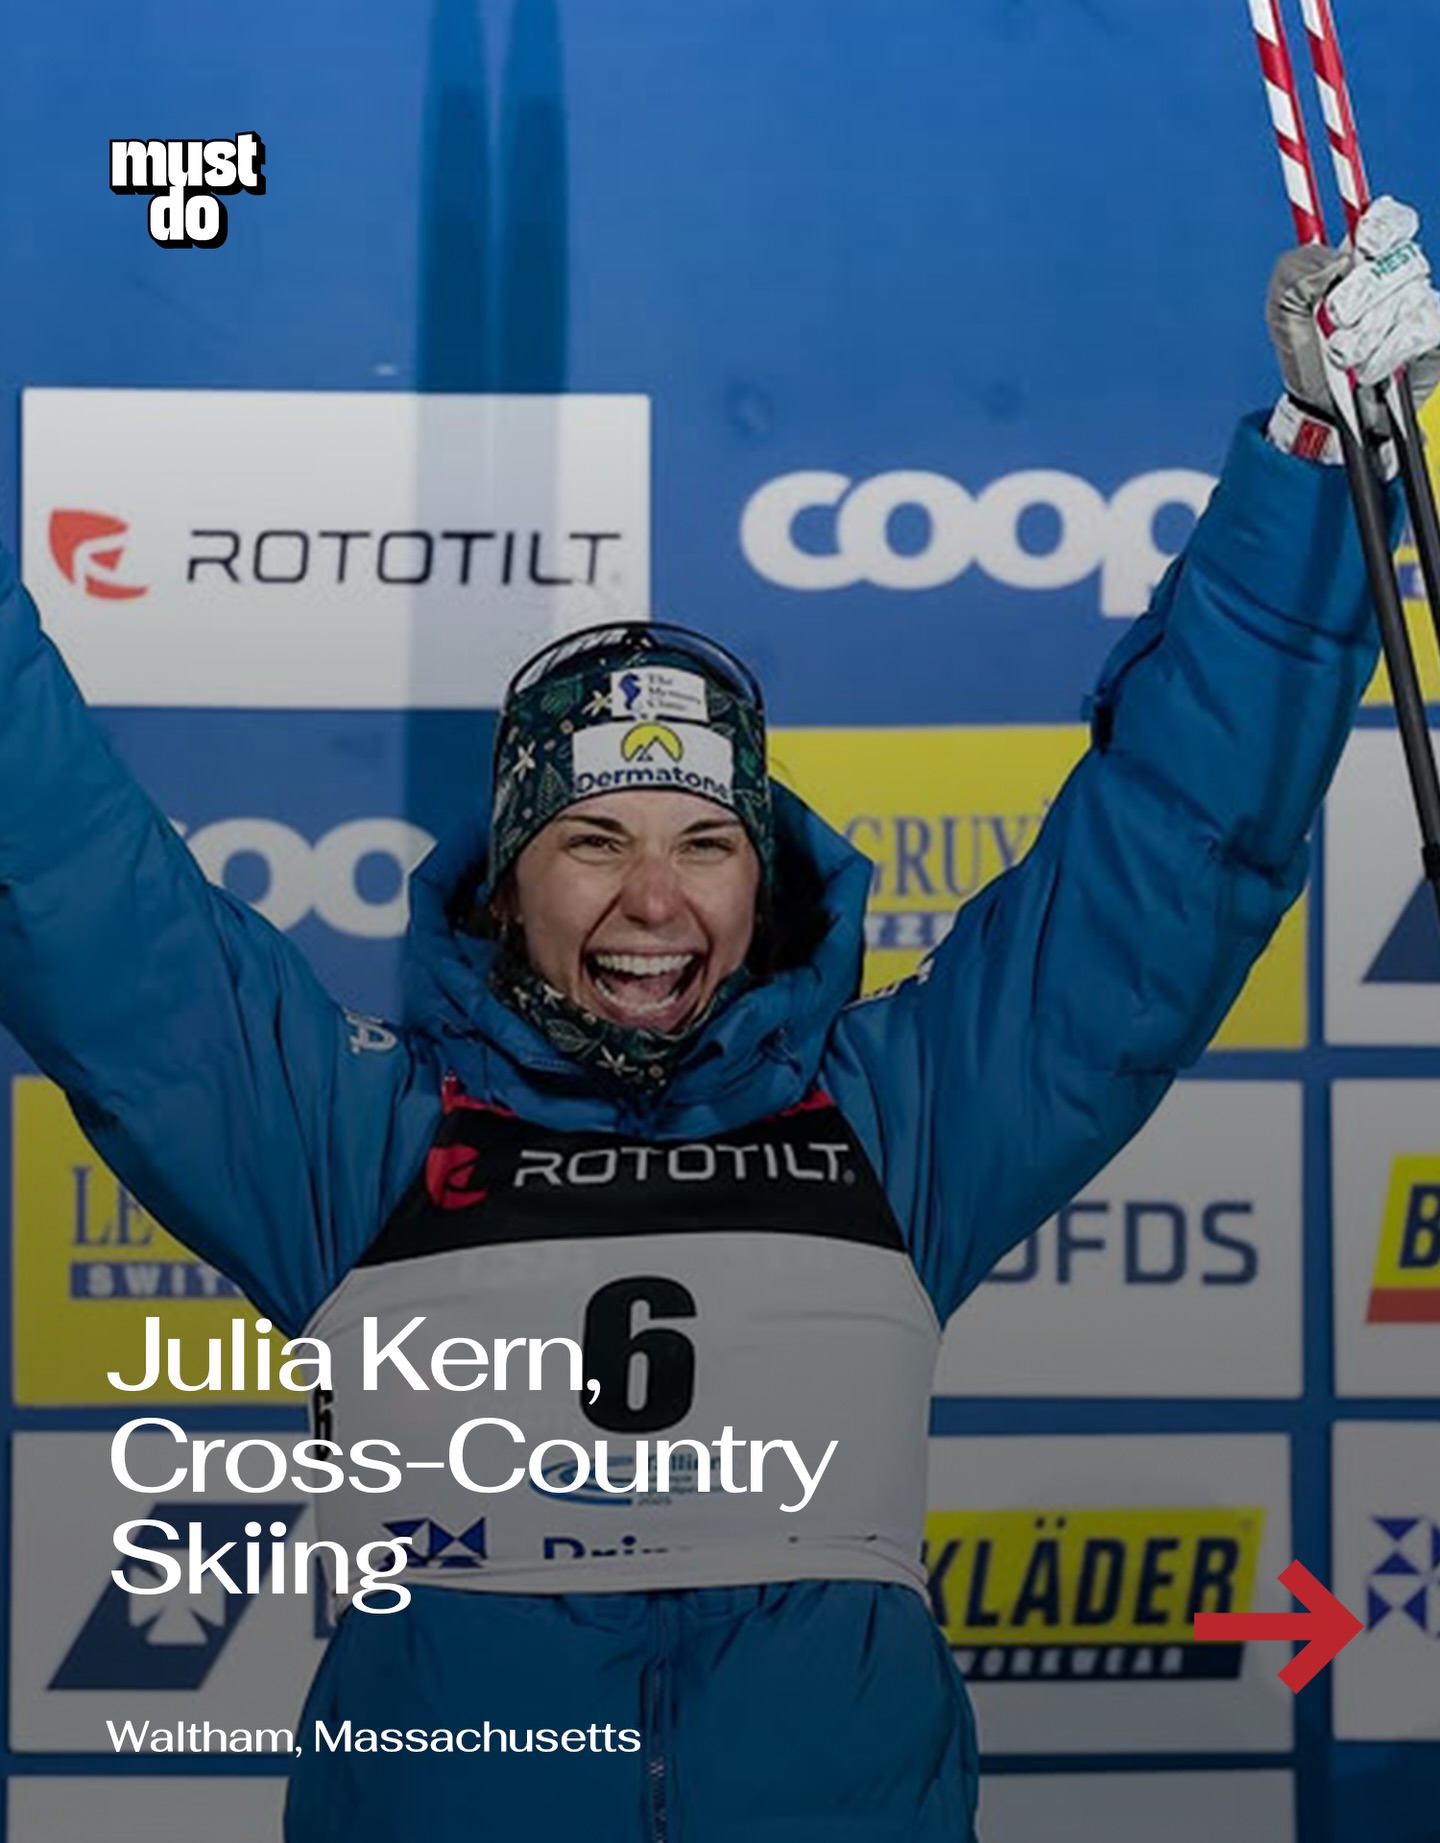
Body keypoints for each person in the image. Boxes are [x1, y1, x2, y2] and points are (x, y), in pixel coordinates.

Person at [3, 199, 1440, 1843]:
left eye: (705, 843)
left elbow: (1170, 855)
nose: (653, 899)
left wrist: (1316, 459)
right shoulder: (351, 1146)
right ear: (506, 885)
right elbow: (71, 884)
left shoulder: (896, 1120)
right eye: (592, 841)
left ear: (763, 883)